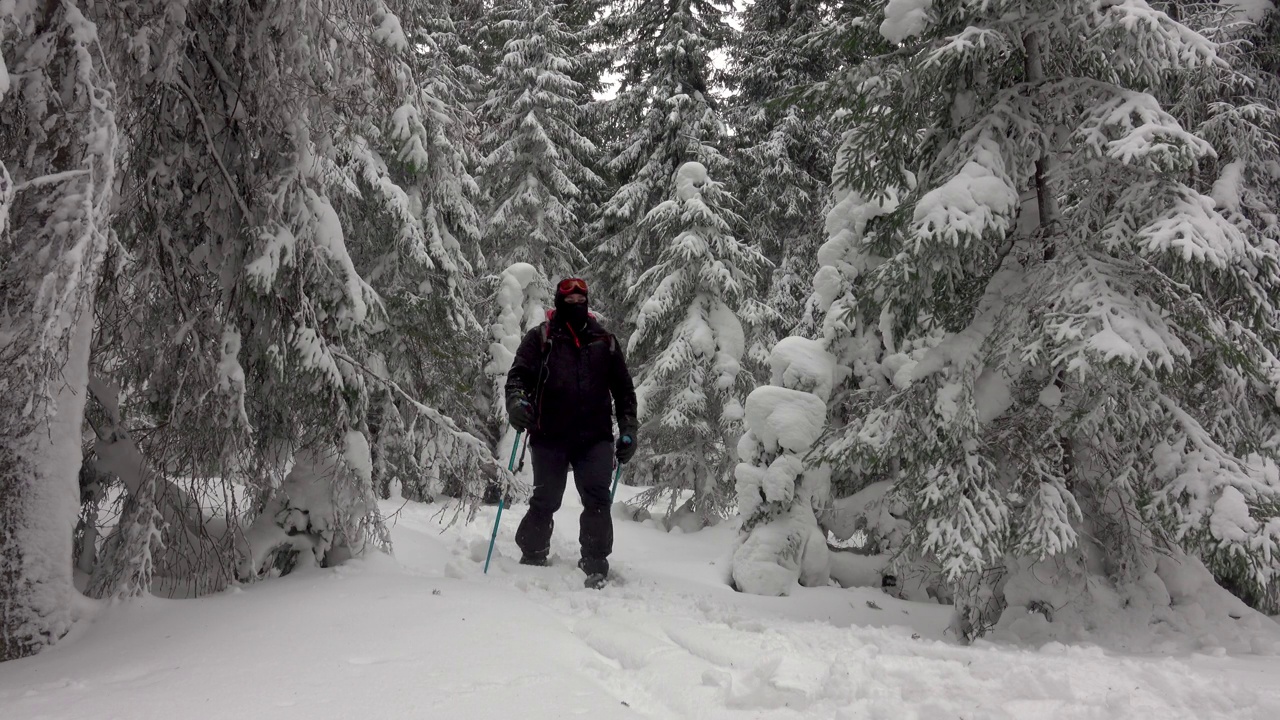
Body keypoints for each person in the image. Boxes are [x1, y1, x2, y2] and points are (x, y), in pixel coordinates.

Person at [504, 277, 638, 582]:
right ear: (558, 301)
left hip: (595, 437)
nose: (575, 305)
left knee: (597, 499)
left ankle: (595, 561)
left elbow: (624, 392)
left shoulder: (605, 341)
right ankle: (532, 552)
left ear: (587, 303)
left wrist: (629, 428)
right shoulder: (541, 338)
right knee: (547, 498)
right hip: (549, 433)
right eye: (570, 301)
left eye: (581, 300)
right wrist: (516, 403)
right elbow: (518, 377)